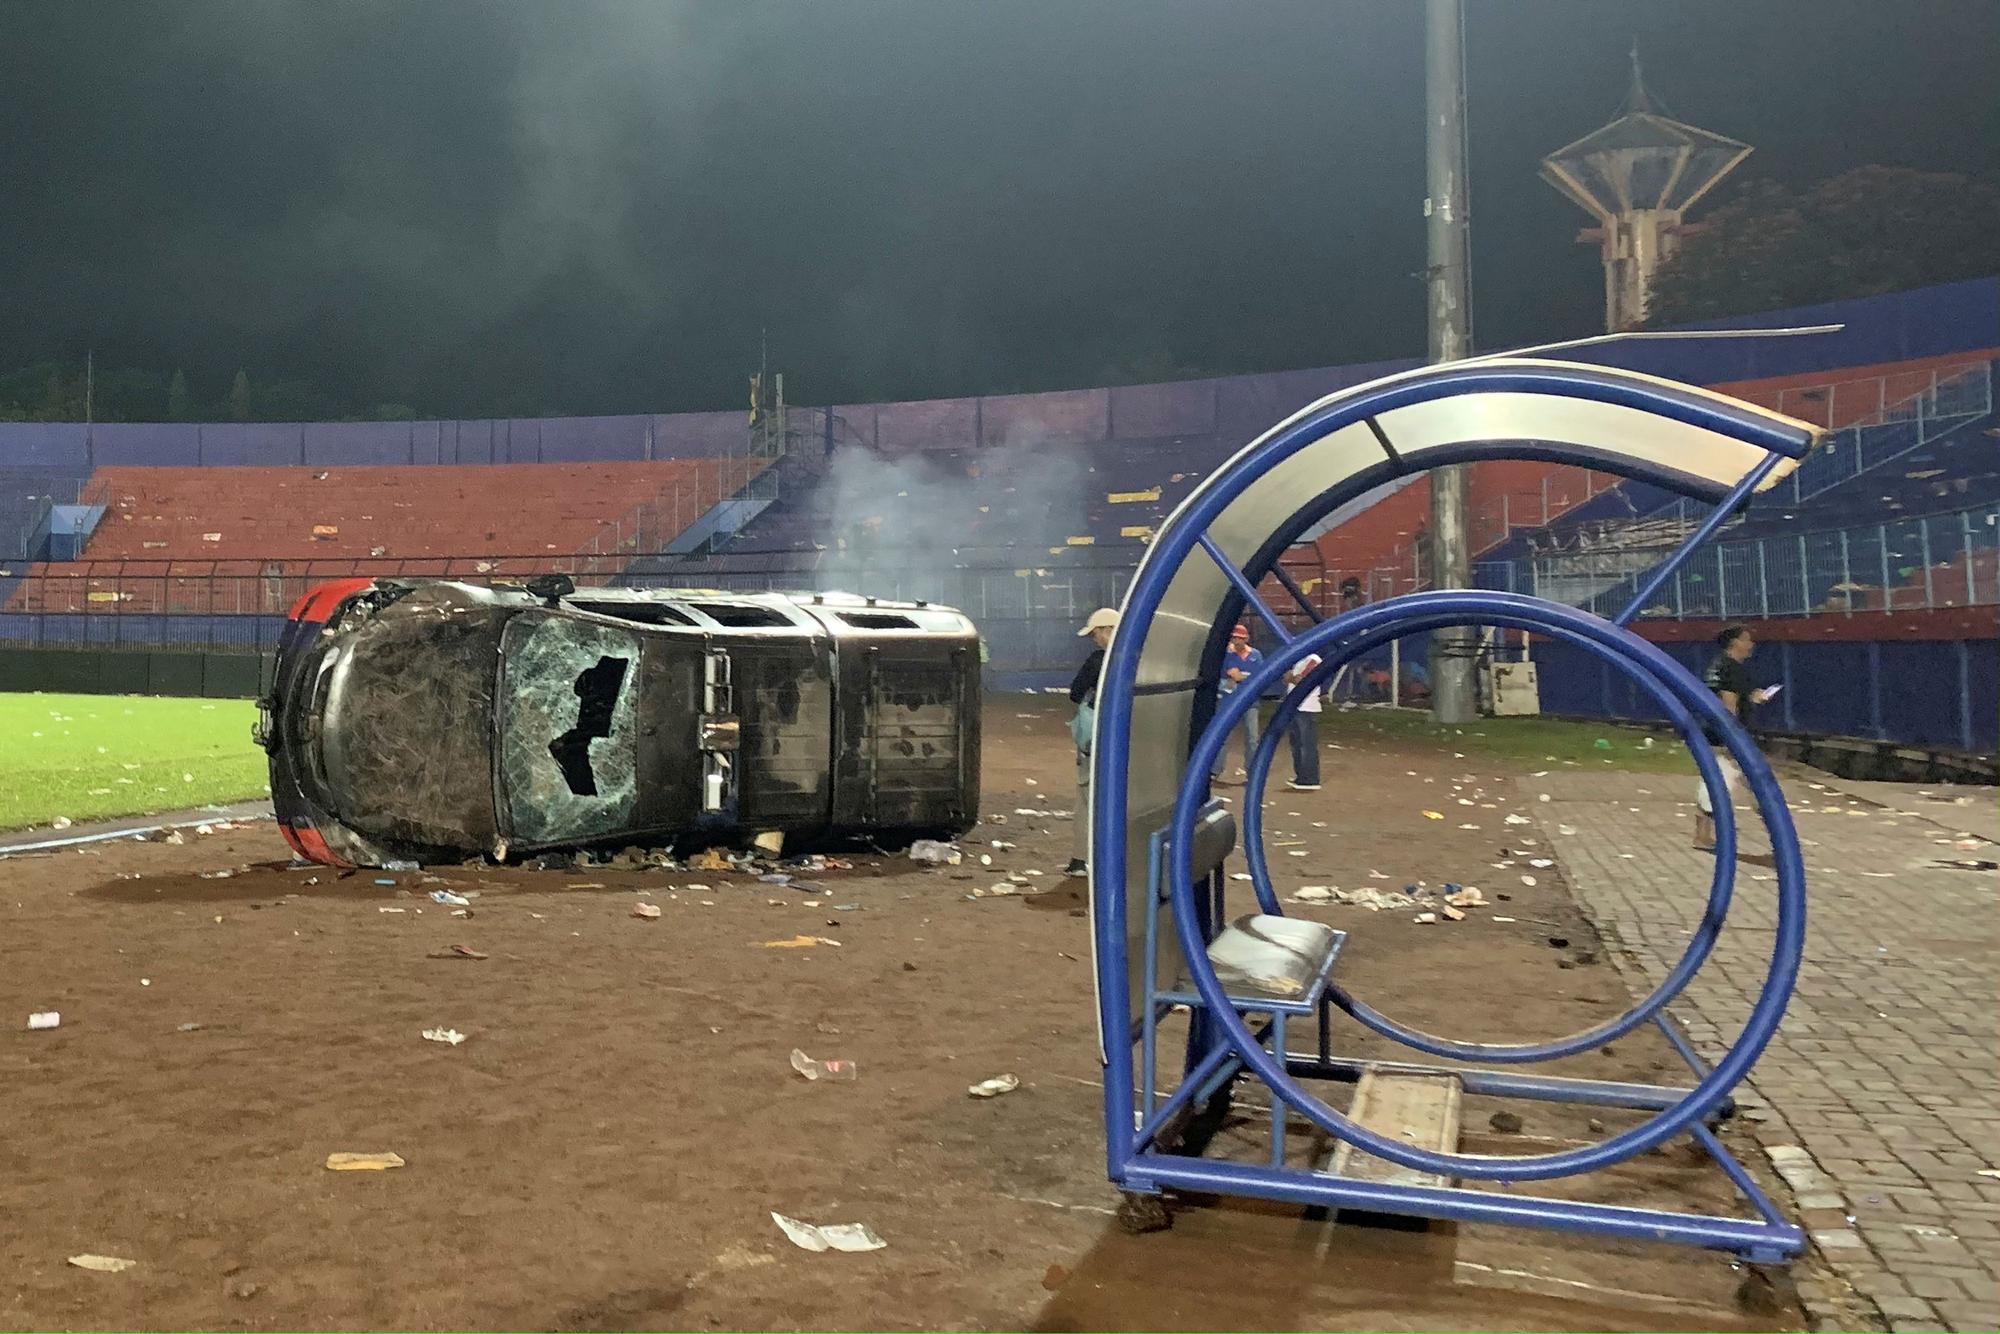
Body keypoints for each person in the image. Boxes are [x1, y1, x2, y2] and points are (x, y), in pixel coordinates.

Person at [1694, 625, 1778, 852]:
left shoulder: (1718, 666)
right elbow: (1728, 704)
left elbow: (1735, 694)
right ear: (1735, 643)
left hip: (1713, 735)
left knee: (1715, 782)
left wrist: (1754, 696)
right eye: (1747, 640)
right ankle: (1780, 838)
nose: (1751, 644)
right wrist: (1733, 737)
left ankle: (1702, 835)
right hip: (1730, 737)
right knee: (1758, 785)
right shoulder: (1732, 669)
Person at [1066, 607, 1119, 876]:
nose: (1094, 639)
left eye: (1096, 634)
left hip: (1097, 735)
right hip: (1127, 736)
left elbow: (1076, 693)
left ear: (1107, 631)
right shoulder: (1138, 658)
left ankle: (1081, 860)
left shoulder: (1098, 661)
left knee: (1088, 796)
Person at [1210, 623, 1263, 784]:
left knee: (1252, 738)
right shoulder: (1228, 655)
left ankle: (1253, 773)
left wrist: (1242, 677)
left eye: (1239, 638)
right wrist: (1243, 677)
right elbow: (1234, 675)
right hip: (1228, 701)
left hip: (1250, 701)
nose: (1235, 641)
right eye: (1234, 638)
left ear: (1246, 639)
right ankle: (1215, 771)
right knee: (1222, 736)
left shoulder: (1256, 655)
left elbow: (1256, 676)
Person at [1284, 651, 1324, 790]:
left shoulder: (1313, 659)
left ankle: (1310, 778)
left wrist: (1292, 677)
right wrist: (1291, 677)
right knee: (1296, 743)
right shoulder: (1298, 660)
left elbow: (1302, 679)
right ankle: (1301, 776)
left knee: (1306, 744)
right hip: (1295, 706)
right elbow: (1287, 678)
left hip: (1307, 707)